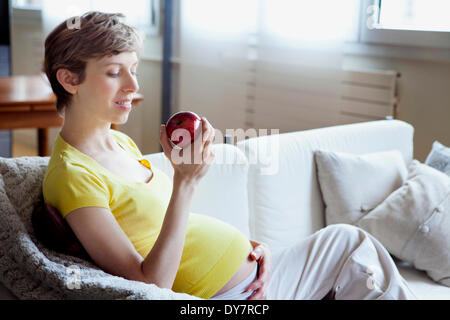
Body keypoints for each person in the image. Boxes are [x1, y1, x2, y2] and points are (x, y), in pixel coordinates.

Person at [42, 11, 416, 300]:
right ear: (69, 79)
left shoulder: (119, 143)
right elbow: (149, 285)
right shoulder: (73, 175)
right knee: (353, 250)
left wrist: (249, 248)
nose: (134, 85)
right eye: (114, 72)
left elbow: (164, 227)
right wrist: (186, 182)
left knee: (346, 241)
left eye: (134, 70)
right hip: (225, 297)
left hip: (249, 280)